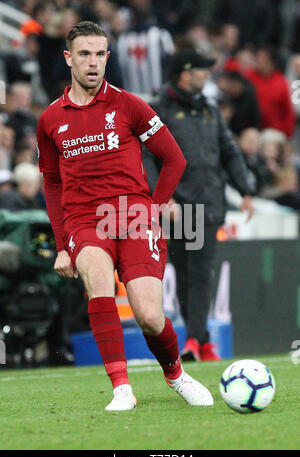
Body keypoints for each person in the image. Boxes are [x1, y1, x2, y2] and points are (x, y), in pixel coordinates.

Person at [36, 21, 214, 410]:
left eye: (100, 54)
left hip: (133, 217)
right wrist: (64, 244)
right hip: (84, 219)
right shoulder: (50, 119)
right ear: (69, 58)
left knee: (150, 315)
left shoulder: (129, 104)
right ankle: (122, 388)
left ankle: (176, 375)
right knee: (98, 280)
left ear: (108, 58)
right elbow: (52, 184)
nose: (93, 62)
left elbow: (174, 159)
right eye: (84, 53)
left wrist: (152, 207)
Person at [143, 48, 256, 362]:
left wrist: (245, 189)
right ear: (185, 73)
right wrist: (163, 196)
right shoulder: (159, 110)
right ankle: (202, 341)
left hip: (207, 204)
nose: (208, 76)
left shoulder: (209, 110)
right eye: (202, 70)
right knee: (184, 272)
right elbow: (148, 157)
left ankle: (193, 339)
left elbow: (229, 151)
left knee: (199, 272)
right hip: (178, 207)